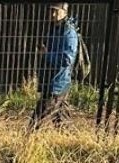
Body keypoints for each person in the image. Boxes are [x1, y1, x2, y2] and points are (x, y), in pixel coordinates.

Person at [30, 2, 79, 131]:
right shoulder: (54, 29)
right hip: (51, 79)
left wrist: (46, 55)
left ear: (65, 11)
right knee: (62, 119)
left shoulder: (69, 32)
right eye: (51, 10)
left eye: (56, 11)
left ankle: (26, 141)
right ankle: (69, 143)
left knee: (38, 118)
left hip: (58, 81)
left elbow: (67, 59)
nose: (52, 14)